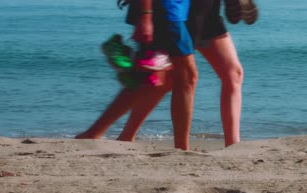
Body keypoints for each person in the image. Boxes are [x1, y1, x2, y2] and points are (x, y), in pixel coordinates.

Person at [77, 0, 250, 149]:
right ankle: (179, 149)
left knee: (163, 79)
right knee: (171, 78)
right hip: (173, 11)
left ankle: (110, 135)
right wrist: (145, 15)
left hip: (195, 11)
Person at [77, 0, 198, 150]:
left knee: (157, 78)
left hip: (171, 11)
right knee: (186, 77)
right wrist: (146, 15)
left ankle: (103, 134)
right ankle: (181, 148)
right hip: (165, 10)